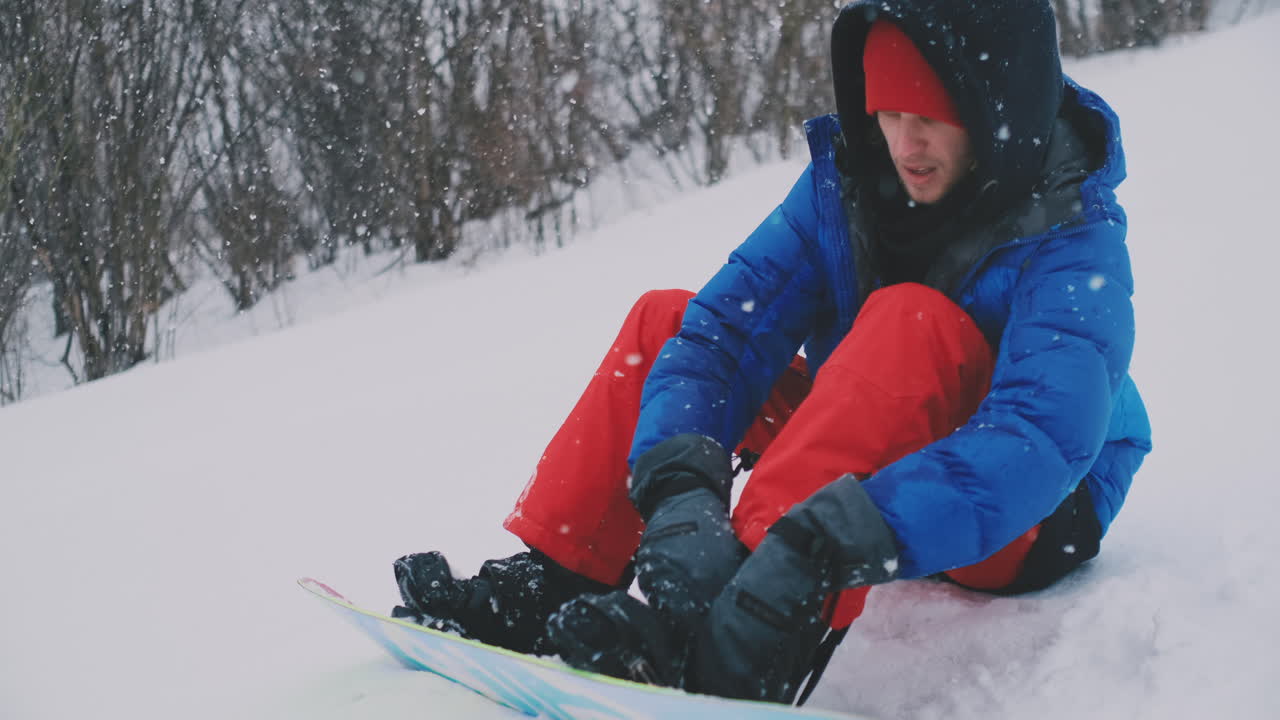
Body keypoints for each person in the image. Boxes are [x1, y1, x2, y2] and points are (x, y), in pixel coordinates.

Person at [392, 0, 1152, 705]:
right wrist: (682, 489)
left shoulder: (1072, 233)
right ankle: (556, 578)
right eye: (887, 111)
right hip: (877, 439)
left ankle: (749, 631)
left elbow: (1038, 441)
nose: (904, 142)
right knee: (667, 323)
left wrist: (813, 546)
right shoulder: (851, 184)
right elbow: (723, 333)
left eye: (931, 116)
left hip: (1027, 511)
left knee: (908, 320)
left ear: (995, 112)